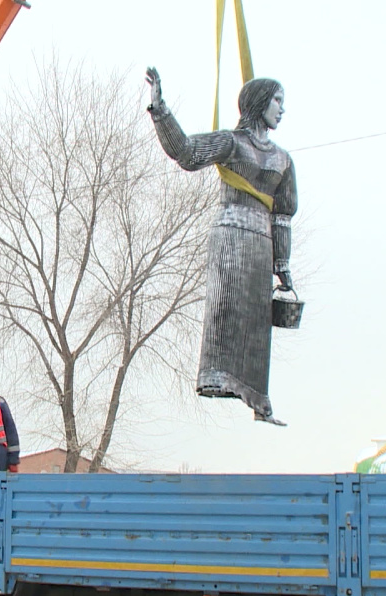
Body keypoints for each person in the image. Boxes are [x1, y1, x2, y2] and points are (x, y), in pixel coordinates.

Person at [146, 67, 297, 426]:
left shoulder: (282, 159)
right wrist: (160, 109)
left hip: (261, 242)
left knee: (257, 322)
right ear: (260, 102)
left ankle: (257, 397)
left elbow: (282, 216)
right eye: (277, 100)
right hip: (230, 233)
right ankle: (217, 377)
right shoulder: (232, 143)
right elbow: (186, 152)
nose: (282, 109)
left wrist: (284, 266)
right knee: (225, 310)